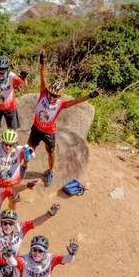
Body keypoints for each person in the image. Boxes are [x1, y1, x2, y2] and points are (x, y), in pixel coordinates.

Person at [28, 51, 98, 187]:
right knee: (29, 149)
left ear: (59, 96)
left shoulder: (60, 104)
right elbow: (43, 78)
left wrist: (90, 96)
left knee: (51, 153)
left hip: (49, 132)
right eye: (51, 94)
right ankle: (24, 165)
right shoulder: (43, 93)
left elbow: (76, 101)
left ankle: (51, 171)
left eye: (55, 95)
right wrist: (42, 62)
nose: (51, 97)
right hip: (36, 128)